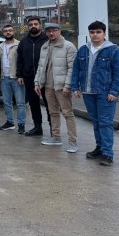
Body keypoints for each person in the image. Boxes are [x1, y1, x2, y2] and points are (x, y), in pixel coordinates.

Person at [71, 21, 119, 166]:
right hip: (88, 92)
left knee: (105, 123)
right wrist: (75, 87)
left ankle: (108, 154)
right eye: (92, 32)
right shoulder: (83, 50)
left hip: (105, 93)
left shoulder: (113, 51)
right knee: (96, 122)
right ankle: (100, 148)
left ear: (104, 33)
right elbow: (76, 70)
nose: (95, 35)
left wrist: (114, 91)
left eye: (98, 32)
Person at [34, 23, 78, 152]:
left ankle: (73, 142)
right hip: (48, 85)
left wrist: (68, 85)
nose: (51, 33)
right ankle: (56, 137)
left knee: (67, 113)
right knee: (53, 113)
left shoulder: (68, 46)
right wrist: (37, 83)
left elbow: (72, 68)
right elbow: (40, 66)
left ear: (59, 31)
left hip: (62, 86)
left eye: (54, 30)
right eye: (48, 31)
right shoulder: (45, 46)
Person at [16, 16, 50, 136]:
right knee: (33, 103)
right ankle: (37, 127)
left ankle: (53, 129)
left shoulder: (47, 40)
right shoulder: (24, 42)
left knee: (49, 104)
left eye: (36, 24)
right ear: (28, 26)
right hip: (29, 77)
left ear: (40, 25)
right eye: (31, 25)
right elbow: (19, 59)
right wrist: (19, 74)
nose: (33, 26)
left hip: (46, 78)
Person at [0, 24, 27, 134]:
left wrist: (21, 75)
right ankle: (9, 122)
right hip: (4, 77)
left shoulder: (19, 45)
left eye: (10, 30)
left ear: (13, 32)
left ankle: (21, 124)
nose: (8, 32)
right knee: (6, 102)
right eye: (5, 31)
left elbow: (23, 61)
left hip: (16, 77)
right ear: (3, 33)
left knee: (20, 102)